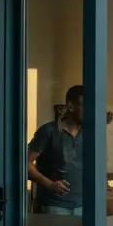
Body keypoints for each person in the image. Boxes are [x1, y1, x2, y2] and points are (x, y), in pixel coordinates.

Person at [27, 85, 85, 216]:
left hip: (83, 206)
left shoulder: (90, 133)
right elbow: (24, 163)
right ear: (71, 107)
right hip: (54, 206)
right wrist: (49, 184)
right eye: (85, 105)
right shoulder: (48, 131)